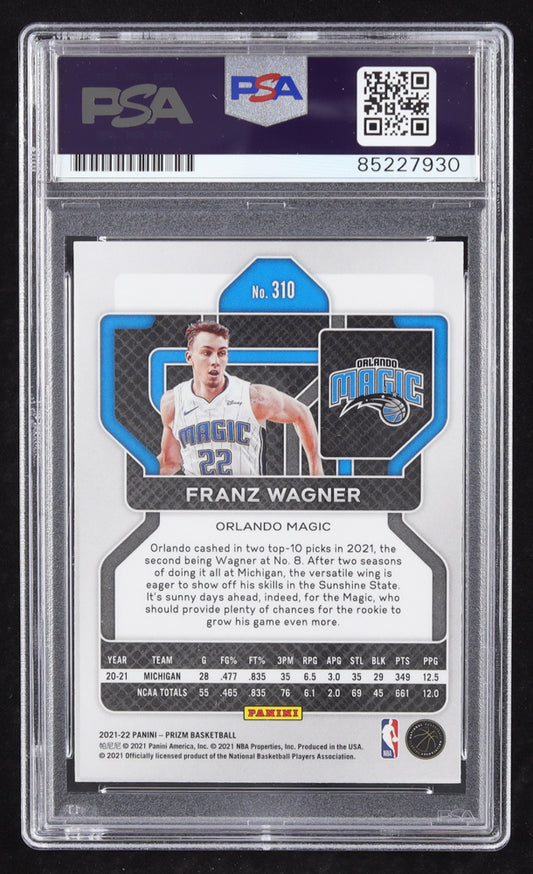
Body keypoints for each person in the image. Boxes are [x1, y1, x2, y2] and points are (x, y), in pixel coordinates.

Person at [158, 320, 323, 476]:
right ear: (189, 358)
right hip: (198, 496)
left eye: (221, 353)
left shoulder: (253, 398)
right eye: (206, 353)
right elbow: (170, 462)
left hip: (246, 495)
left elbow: (301, 412)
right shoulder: (173, 403)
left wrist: (317, 472)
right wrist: (143, 473)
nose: (215, 361)